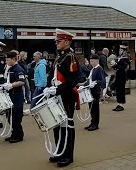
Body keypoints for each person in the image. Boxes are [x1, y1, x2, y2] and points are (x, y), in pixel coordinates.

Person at [43, 28, 80, 167]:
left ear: (66, 41)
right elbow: (53, 76)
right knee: (57, 125)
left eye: (58, 41)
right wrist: (48, 87)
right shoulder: (60, 57)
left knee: (67, 126)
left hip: (66, 97)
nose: (56, 43)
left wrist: (57, 89)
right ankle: (59, 151)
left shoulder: (70, 58)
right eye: (56, 41)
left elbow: (73, 80)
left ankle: (68, 155)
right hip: (56, 96)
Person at [2, 52, 25, 143]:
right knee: (9, 115)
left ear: (13, 59)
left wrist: (11, 85)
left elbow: (21, 81)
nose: (6, 62)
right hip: (10, 95)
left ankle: (18, 135)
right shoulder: (10, 68)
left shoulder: (18, 69)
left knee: (16, 116)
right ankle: (14, 133)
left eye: (8, 60)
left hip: (17, 96)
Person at [82, 54, 105, 131]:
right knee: (91, 107)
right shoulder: (92, 69)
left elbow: (101, 80)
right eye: (90, 61)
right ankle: (92, 122)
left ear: (97, 61)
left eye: (92, 61)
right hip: (90, 90)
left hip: (95, 91)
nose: (91, 62)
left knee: (95, 108)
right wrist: (84, 84)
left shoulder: (99, 68)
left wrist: (95, 83)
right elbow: (89, 79)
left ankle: (95, 124)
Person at [111, 45, 130, 111]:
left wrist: (116, 65)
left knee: (121, 90)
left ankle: (121, 104)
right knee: (118, 90)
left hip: (122, 76)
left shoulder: (125, 58)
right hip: (118, 75)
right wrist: (113, 65)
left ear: (124, 51)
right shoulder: (119, 58)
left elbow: (123, 67)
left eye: (121, 50)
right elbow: (117, 67)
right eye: (119, 50)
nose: (120, 51)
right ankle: (119, 103)